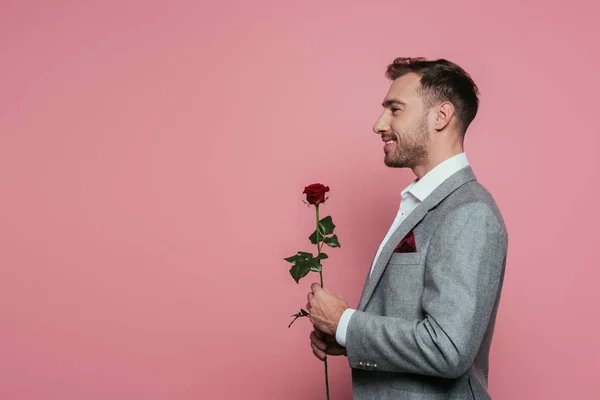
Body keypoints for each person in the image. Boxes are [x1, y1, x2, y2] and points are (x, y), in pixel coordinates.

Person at [306, 57, 508, 399]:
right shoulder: (423, 202)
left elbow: (448, 348)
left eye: (395, 109)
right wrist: (348, 338)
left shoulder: (469, 212)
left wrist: (346, 323)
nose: (378, 124)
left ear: (440, 116)